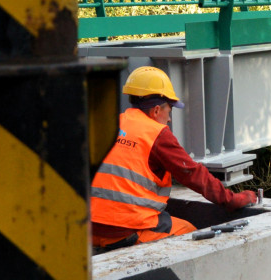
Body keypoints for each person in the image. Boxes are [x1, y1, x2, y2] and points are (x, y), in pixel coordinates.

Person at [90, 66, 256, 249]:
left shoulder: (108, 124)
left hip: (89, 229)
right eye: (169, 111)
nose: (169, 119)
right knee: (190, 233)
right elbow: (193, 174)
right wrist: (232, 200)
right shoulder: (156, 134)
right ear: (156, 111)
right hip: (125, 230)